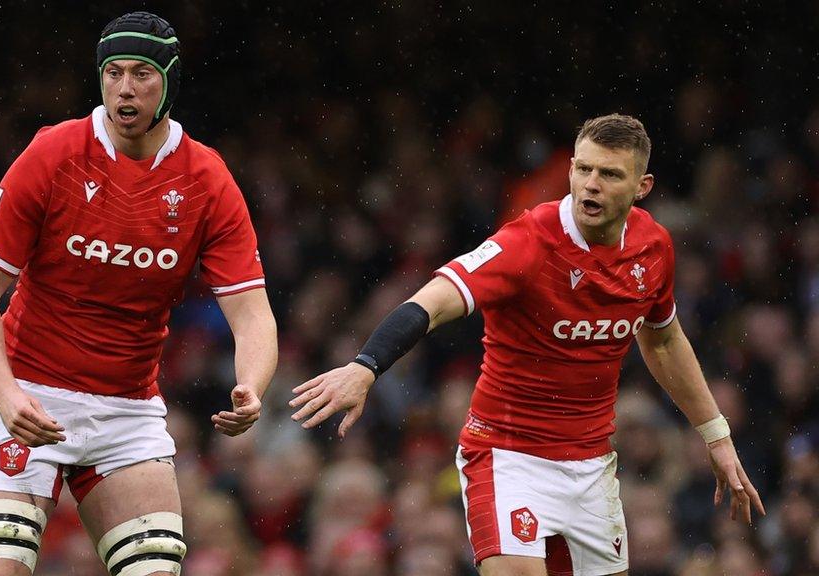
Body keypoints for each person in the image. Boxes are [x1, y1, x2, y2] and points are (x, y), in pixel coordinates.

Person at [290, 114, 765, 576]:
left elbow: (662, 340)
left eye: (609, 174)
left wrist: (715, 435)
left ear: (642, 186)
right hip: (507, 456)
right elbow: (432, 302)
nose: (590, 184)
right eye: (583, 169)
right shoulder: (529, 242)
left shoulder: (653, 247)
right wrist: (366, 366)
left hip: (592, 465)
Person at [0, 11, 277, 576]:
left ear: (170, 81)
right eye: (113, 73)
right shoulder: (54, 154)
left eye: (142, 74)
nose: (124, 89)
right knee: (0, 567)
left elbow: (252, 315)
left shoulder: (206, 179)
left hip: (126, 412)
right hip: (28, 393)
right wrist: (6, 396)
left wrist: (252, 383)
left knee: (156, 571)